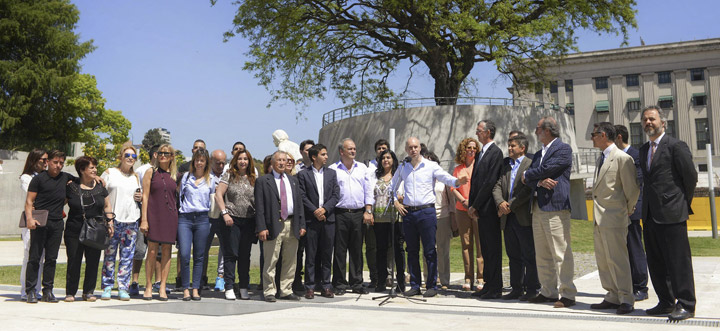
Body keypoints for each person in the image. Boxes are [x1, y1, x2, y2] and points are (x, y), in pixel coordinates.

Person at [639, 106, 698, 321]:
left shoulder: (676, 146)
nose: (648, 123)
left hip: (672, 213)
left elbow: (690, 178)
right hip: (650, 215)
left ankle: (686, 304)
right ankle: (665, 302)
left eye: (652, 119)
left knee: (678, 261)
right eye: (645, 120)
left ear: (663, 122)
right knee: (656, 261)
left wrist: (681, 203)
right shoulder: (644, 149)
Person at [393, 137, 467, 298]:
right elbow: (393, 186)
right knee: (412, 250)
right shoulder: (403, 167)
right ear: (406, 150)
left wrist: (457, 182)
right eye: (410, 147)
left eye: (416, 147)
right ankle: (415, 285)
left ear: (420, 148)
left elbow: (446, 178)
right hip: (409, 213)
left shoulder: (431, 166)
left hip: (426, 212)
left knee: (429, 250)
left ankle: (432, 285)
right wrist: (395, 202)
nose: (413, 150)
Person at [522, 116, 577, 308]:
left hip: (556, 207)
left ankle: (568, 293)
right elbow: (529, 179)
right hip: (537, 206)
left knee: (560, 252)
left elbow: (547, 168)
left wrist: (529, 175)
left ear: (547, 130)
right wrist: (538, 181)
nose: (535, 132)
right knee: (542, 253)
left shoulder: (563, 149)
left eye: (537, 128)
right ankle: (548, 291)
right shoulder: (538, 153)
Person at [588, 122, 640, 315]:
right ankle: (611, 295)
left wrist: (625, 210)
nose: (591, 138)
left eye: (594, 134)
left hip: (614, 217)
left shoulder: (622, 158)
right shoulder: (601, 158)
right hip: (599, 218)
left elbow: (632, 189)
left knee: (618, 260)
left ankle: (626, 298)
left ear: (602, 135)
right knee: (603, 260)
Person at [24, 150, 77, 303]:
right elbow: (29, 201)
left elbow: (83, 180)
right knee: (34, 258)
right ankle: (31, 291)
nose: (58, 166)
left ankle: (48, 290)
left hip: (57, 223)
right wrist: (29, 219)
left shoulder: (66, 177)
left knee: (51, 259)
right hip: (40, 221)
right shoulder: (39, 179)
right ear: (48, 163)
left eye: (61, 163)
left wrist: (98, 178)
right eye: (55, 162)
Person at [492, 134, 538, 301]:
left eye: (513, 146)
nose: (509, 148)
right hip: (507, 218)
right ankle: (516, 288)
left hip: (523, 216)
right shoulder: (506, 165)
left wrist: (510, 205)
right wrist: (500, 203)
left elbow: (527, 190)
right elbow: (497, 186)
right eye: (509, 145)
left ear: (522, 148)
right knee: (513, 255)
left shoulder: (530, 164)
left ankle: (532, 288)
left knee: (529, 255)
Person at [256, 151, 306, 302]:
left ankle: (286, 290)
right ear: (272, 163)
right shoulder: (264, 181)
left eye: (285, 160)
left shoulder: (293, 181)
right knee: (271, 260)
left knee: (290, 260)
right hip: (273, 224)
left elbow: (299, 204)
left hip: (292, 224)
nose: (282, 163)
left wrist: (302, 224)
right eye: (279, 160)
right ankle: (269, 291)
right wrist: (261, 227)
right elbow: (259, 207)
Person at [65, 156, 115, 302]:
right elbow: (61, 202)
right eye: (91, 167)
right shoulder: (71, 187)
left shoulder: (100, 187)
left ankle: (88, 292)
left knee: (93, 261)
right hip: (74, 229)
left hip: (96, 228)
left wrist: (110, 223)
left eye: (95, 167)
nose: (95, 170)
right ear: (82, 170)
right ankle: (70, 292)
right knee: (74, 260)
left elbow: (107, 205)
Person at [329, 138, 374, 295]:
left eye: (354, 149)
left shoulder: (362, 168)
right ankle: (340, 284)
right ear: (342, 151)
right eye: (350, 149)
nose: (353, 151)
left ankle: (357, 283)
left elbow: (368, 190)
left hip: (357, 213)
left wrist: (368, 210)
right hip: (340, 213)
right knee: (340, 250)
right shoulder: (333, 169)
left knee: (356, 250)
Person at [297, 144, 340, 299]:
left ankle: (326, 285)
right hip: (311, 220)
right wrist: (315, 210)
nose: (326, 157)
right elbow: (301, 195)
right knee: (311, 254)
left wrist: (325, 209)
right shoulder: (303, 174)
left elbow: (336, 194)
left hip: (328, 220)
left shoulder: (332, 174)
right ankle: (309, 286)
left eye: (326, 154)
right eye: (323, 154)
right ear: (314, 157)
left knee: (327, 254)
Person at [468, 120, 504, 299]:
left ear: (488, 132)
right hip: (480, 209)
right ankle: (488, 285)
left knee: (492, 248)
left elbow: (490, 182)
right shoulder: (481, 153)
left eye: (479, 131)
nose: (477, 134)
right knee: (485, 248)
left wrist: (476, 204)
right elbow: (475, 181)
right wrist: (471, 204)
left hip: (489, 208)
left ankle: (495, 287)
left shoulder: (495, 153)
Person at [100, 144, 142, 301]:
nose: (130, 158)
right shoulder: (110, 173)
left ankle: (123, 287)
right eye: (127, 156)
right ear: (121, 157)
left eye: (133, 156)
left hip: (131, 220)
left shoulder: (136, 177)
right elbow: (100, 191)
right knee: (109, 255)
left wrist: (141, 197)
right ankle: (107, 286)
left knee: (127, 257)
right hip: (113, 220)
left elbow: (138, 195)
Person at [215, 149, 257, 300]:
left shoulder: (253, 177)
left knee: (245, 255)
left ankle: (244, 286)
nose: (243, 161)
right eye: (240, 159)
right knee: (231, 254)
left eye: (245, 159)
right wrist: (224, 212)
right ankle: (229, 286)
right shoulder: (229, 175)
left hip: (249, 220)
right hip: (231, 219)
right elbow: (219, 194)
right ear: (235, 160)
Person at [614, 124, 649, 301]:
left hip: (632, 210)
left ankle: (641, 287)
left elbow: (637, 182)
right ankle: (628, 285)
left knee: (635, 248)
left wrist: (629, 205)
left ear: (619, 137)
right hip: (617, 211)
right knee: (623, 250)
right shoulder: (612, 157)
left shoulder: (635, 155)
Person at [139, 144, 179, 301]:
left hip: (170, 216)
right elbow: (145, 197)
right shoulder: (151, 172)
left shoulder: (176, 175)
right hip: (153, 215)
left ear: (171, 157)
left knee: (167, 252)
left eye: (166, 153)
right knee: (152, 251)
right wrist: (144, 219)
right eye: (160, 153)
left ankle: (162, 286)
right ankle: (148, 286)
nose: (163, 155)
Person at [177, 148, 216, 301]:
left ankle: (195, 289)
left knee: (199, 256)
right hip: (185, 218)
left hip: (202, 219)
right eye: (197, 160)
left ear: (206, 163)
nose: (199, 163)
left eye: (202, 160)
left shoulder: (211, 179)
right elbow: (179, 195)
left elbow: (215, 198)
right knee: (185, 254)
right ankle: (185, 288)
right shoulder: (186, 177)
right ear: (193, 161)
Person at [370, 149, 406, 293]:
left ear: (393, 160)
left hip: (395, 218)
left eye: (389, 158)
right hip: (379, 218)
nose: (386, 160)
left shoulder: (399, 176)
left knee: (398, 250)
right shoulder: (375, 176)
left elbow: (403, 193)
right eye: (383, 158)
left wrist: (401, 198)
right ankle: (381, 281)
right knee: (381, 250)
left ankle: (401, 281)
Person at [451, 137, 484, 291]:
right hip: (462, 209)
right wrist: (464, 201)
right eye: (469, 148)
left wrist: (474, 203)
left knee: (480, 244)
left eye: (474, 148)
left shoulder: (480, 166)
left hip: (477, 209)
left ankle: (481, 278)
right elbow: (453, 188)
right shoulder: (458, 169)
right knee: (466, 244)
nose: (472, 150)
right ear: (464, 150)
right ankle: (468, 277)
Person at [130, 145, 162, 296]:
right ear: (155, 154)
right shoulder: (142, 170)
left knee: (158, 251)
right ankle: (134, 282)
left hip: (159, 216)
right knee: (140, 250)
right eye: (162, 153)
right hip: (143, 215)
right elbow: (135, 190)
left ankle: (157, 282)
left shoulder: (165, 171)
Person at [19, 149, 47, 301]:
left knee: (40, 255)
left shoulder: (45, 176)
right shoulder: (26, 178)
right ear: (34, 160)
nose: (45, 163)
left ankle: (36, 289)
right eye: (43, 160)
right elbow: (33, 197)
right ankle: (26, 289)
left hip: (44, 217)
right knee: (29, 254)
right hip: (32, 217)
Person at [427, 152, 455, 290]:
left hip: (442, 216)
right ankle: (428, 278)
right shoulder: (422, 179)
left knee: (443, 249)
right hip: (427, 216)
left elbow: (451, 201)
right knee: (428, 249)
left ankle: (444, 280)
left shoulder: (443, 179)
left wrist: (452, 219)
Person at [201, 149, 227, 292]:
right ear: (211, 161)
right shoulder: (205, 175)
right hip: (207, 217)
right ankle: (202, 277)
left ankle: (220, 277)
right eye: (218, 163)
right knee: (203, 248)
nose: (221, 166)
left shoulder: (228, 175)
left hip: (223, 217)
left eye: (223, 163)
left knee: (224, 249)